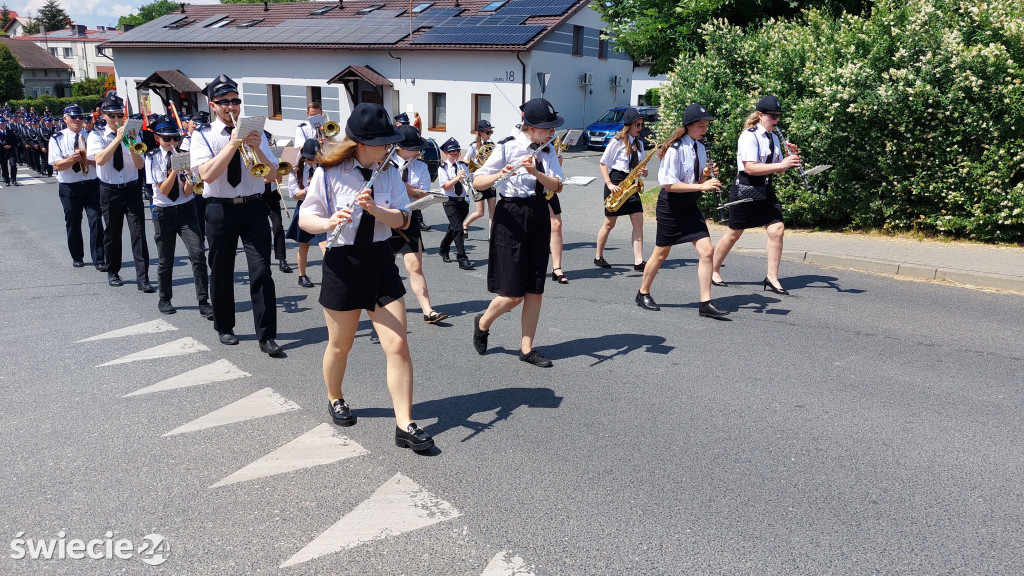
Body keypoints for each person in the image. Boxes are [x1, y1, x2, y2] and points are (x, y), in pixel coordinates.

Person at [297, 102, 434, 452]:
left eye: (390, 142)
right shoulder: (329, 173)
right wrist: (327, 224)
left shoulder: (388, 172)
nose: (388, 149)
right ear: (359, 142)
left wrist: (377, 210)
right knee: (341, 344)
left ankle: (404, 423)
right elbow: (305, 219)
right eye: (381, 143)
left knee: (398, 345)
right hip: (343, 263)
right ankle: (335, 396)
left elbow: (404, 220)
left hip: (379, 261)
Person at [190, 74, 282, 356]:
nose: (232, 107)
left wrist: (256, 148)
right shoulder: (202, 135)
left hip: (254, 206)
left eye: (235, 101)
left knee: (262, 270)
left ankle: (266, 335)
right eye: (224, 102)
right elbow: (206, 174)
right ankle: (224, 326)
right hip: (219, 208)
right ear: (212, 105)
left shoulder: (258, 134)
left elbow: (274, 174)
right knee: (220, 269)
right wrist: (232, 145)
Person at [471, 98, 564, 368]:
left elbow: (557, 186)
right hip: (510, 214)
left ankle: (527, 349)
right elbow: (478, 181)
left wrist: (535, 172)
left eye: (552, 128)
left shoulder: (547, 150)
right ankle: (483, 321)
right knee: (512, 293)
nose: (551, 132)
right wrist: (502, 173)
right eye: (547, 128)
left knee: (535, 290)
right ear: (531, 128)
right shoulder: (507, 146)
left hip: (537, 213)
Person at [635, 104, 729, 319]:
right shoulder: (675, 149)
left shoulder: (701, 148)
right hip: (671, 206)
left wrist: (704, 175)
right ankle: (643, 293)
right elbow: (669, 185)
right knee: (661, 253)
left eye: (706, 125)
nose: (705, 129)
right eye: (701, 125)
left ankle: (705, 302)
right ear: (688, 126)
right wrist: (702, 186)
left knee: (707, 251)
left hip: (689, 204)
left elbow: (695, 181)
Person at [711, 95, 802, 295]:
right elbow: (750, 168)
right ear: (760, 115)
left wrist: (789, 159)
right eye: (773, 116)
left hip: (766, 189)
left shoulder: (774, 137)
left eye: (778, 117)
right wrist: (781, 164)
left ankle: (772, 277)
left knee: (777, 229)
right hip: (745, 188)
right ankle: (713, 269)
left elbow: (778, 170)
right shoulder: (748, 136)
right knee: (734, 233)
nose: (776, 120)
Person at [145, 115, 213, 318]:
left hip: (186, 209)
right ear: (158, 138)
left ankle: (203, 300)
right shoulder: (152, 157)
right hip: (163, 211)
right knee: (166, 259)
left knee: (198, 253)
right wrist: (174, 172)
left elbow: (186, 192)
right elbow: (164, 190)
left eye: (175, 138)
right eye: (167, 139)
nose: (172, 143)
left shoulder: (186, 155)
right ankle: (164, 298)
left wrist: (189, 176)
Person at [86, 94, 153, 292]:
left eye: (119, 115)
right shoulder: (96, 136)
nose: (117, 119)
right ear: (104, 116)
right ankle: (113, 271)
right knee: (112, 233)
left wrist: (130, 142)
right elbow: (99, 159)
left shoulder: (134, 134)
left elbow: (140, 164)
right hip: (109, 190)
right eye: (112, 115)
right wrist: (117, 139)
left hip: (131, 188)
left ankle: (143, 278)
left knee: (139, 232)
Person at [391, 124, 448, 324]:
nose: (418, 151)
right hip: (385, 218)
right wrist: (407, 187)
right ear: (401, 147)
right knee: (383, 267)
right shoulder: (385, 162)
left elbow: (421, 192)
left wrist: (407, 188)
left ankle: (428, 310)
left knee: (415, 266)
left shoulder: (421, 166)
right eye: (414, 148)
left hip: (409, 217)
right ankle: (378, 307)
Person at [48, 103, 105, 270]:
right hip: (69, 186)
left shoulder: (93, 136)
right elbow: (57, 165)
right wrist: (72, 159)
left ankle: (99, 259)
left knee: (95, 220)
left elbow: (101, 160)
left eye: (81, 117)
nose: (78, 120)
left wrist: (87, 159)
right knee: (73, 222)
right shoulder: (57, 138)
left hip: (91, 184)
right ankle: (77, 255)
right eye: (74, 117)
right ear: (65, 119)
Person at [594, 107, 647, 271]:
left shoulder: (640, 145)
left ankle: (638, 261)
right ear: (629, 125)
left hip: (631, 185)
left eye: (641, 125)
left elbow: (640, 169)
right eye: (637, 125)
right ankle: (598, 256)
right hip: (616, 182)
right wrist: (609, 184)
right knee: (609, 223)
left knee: (638, 221)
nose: (640, 128)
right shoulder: (616, 142)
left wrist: (643, 172)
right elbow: (603, 163)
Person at [285, 138, 326, 288]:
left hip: (322, 209)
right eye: (309, 158)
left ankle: (331, 275)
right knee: (304, 245)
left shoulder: (323, 167)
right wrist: (309, 188)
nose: (311, 161)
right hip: (305, 207)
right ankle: (302, 275)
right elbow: (294, 194)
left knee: (325, 243)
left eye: (314, 158)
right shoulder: (296, 170)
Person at [436, 138, 475, 270]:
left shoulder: (463, 166)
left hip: (463, 201)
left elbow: (468, 182)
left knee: (454, 227)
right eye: (452, 153)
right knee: (458, 229)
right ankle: (462, 258)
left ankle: (443, 248)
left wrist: (469, 181)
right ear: (446, 153)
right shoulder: (443, 167)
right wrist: (457, 178)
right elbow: (446, 186)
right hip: (449, 201)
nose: (455, 155)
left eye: (457, 153)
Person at [262, 129, 293, 274]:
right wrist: (268, 177)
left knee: (278, 226)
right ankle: (263, 260)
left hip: (272, 195)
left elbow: (279, 179)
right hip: (258, 197)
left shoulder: (273, 159)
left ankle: (282, 259)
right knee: (262, 231)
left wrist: (273, 175)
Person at [462, 120, 497, 239]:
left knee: (493, 211)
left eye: (491, 132)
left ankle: (491, 236)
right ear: (480, 132)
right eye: (488, 132)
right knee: (480, 212)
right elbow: (466, 160)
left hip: (490, 180)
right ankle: (465, 224)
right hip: (478, 179)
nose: (490, 134)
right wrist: (478, 164)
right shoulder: (473, 146)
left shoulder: (492, 146)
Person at [1, 116, 20, 186]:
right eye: (0, 124)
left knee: (13, 165)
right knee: (4, 166)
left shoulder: (10, 131)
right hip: (2, 152)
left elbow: (16, 141)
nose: (2, 126)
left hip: (11, 151)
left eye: (3, 124)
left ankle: (13, 179)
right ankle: (6, 181)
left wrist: (11, 145)